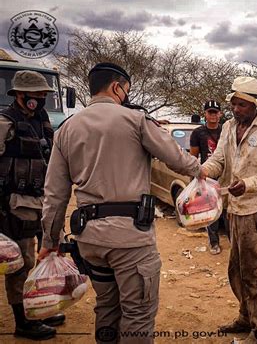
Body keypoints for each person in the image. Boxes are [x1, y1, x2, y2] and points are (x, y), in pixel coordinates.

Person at [38, 62, 203, 344]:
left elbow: (54, 195)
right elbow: (177, 159)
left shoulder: (66, 129)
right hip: (131, 240)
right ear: (117, 87)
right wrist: (202, 171)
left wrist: (49, 240)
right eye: (126, 89)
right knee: (137, 313)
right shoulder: (136, 121)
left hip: (89, 241)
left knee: (107, 307)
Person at [202, 76, 257, 342]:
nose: (236, 109)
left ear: (254, 105)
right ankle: (246, 316)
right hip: (234, 209)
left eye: (242, 105)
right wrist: (202, 172)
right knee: (237, 270)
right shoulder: (228, 126)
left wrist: (247, 184)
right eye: (234, 104)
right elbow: (219, 160)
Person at [0, 70, 61, 340]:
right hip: (14, 202)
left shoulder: (42, 120)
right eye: (35, 95)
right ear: (20, 95)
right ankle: (23, 321)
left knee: (44, 255)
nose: (39, 99)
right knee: (22, 263)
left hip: (42, 200)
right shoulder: (5, 122)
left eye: (43, 95)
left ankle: (38, 308)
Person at [190, 100, 229, 255]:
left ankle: (233, 240)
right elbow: (193, 156)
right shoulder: (198, 133)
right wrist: (195, 176)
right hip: (207, 176)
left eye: (215, 112)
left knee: (227, 209)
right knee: (210, 209)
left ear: (220, 114)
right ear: (205, 114)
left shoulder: (226, 131)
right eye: (210, 112)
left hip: (226, 174)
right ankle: (214, 243)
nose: (213, 115)